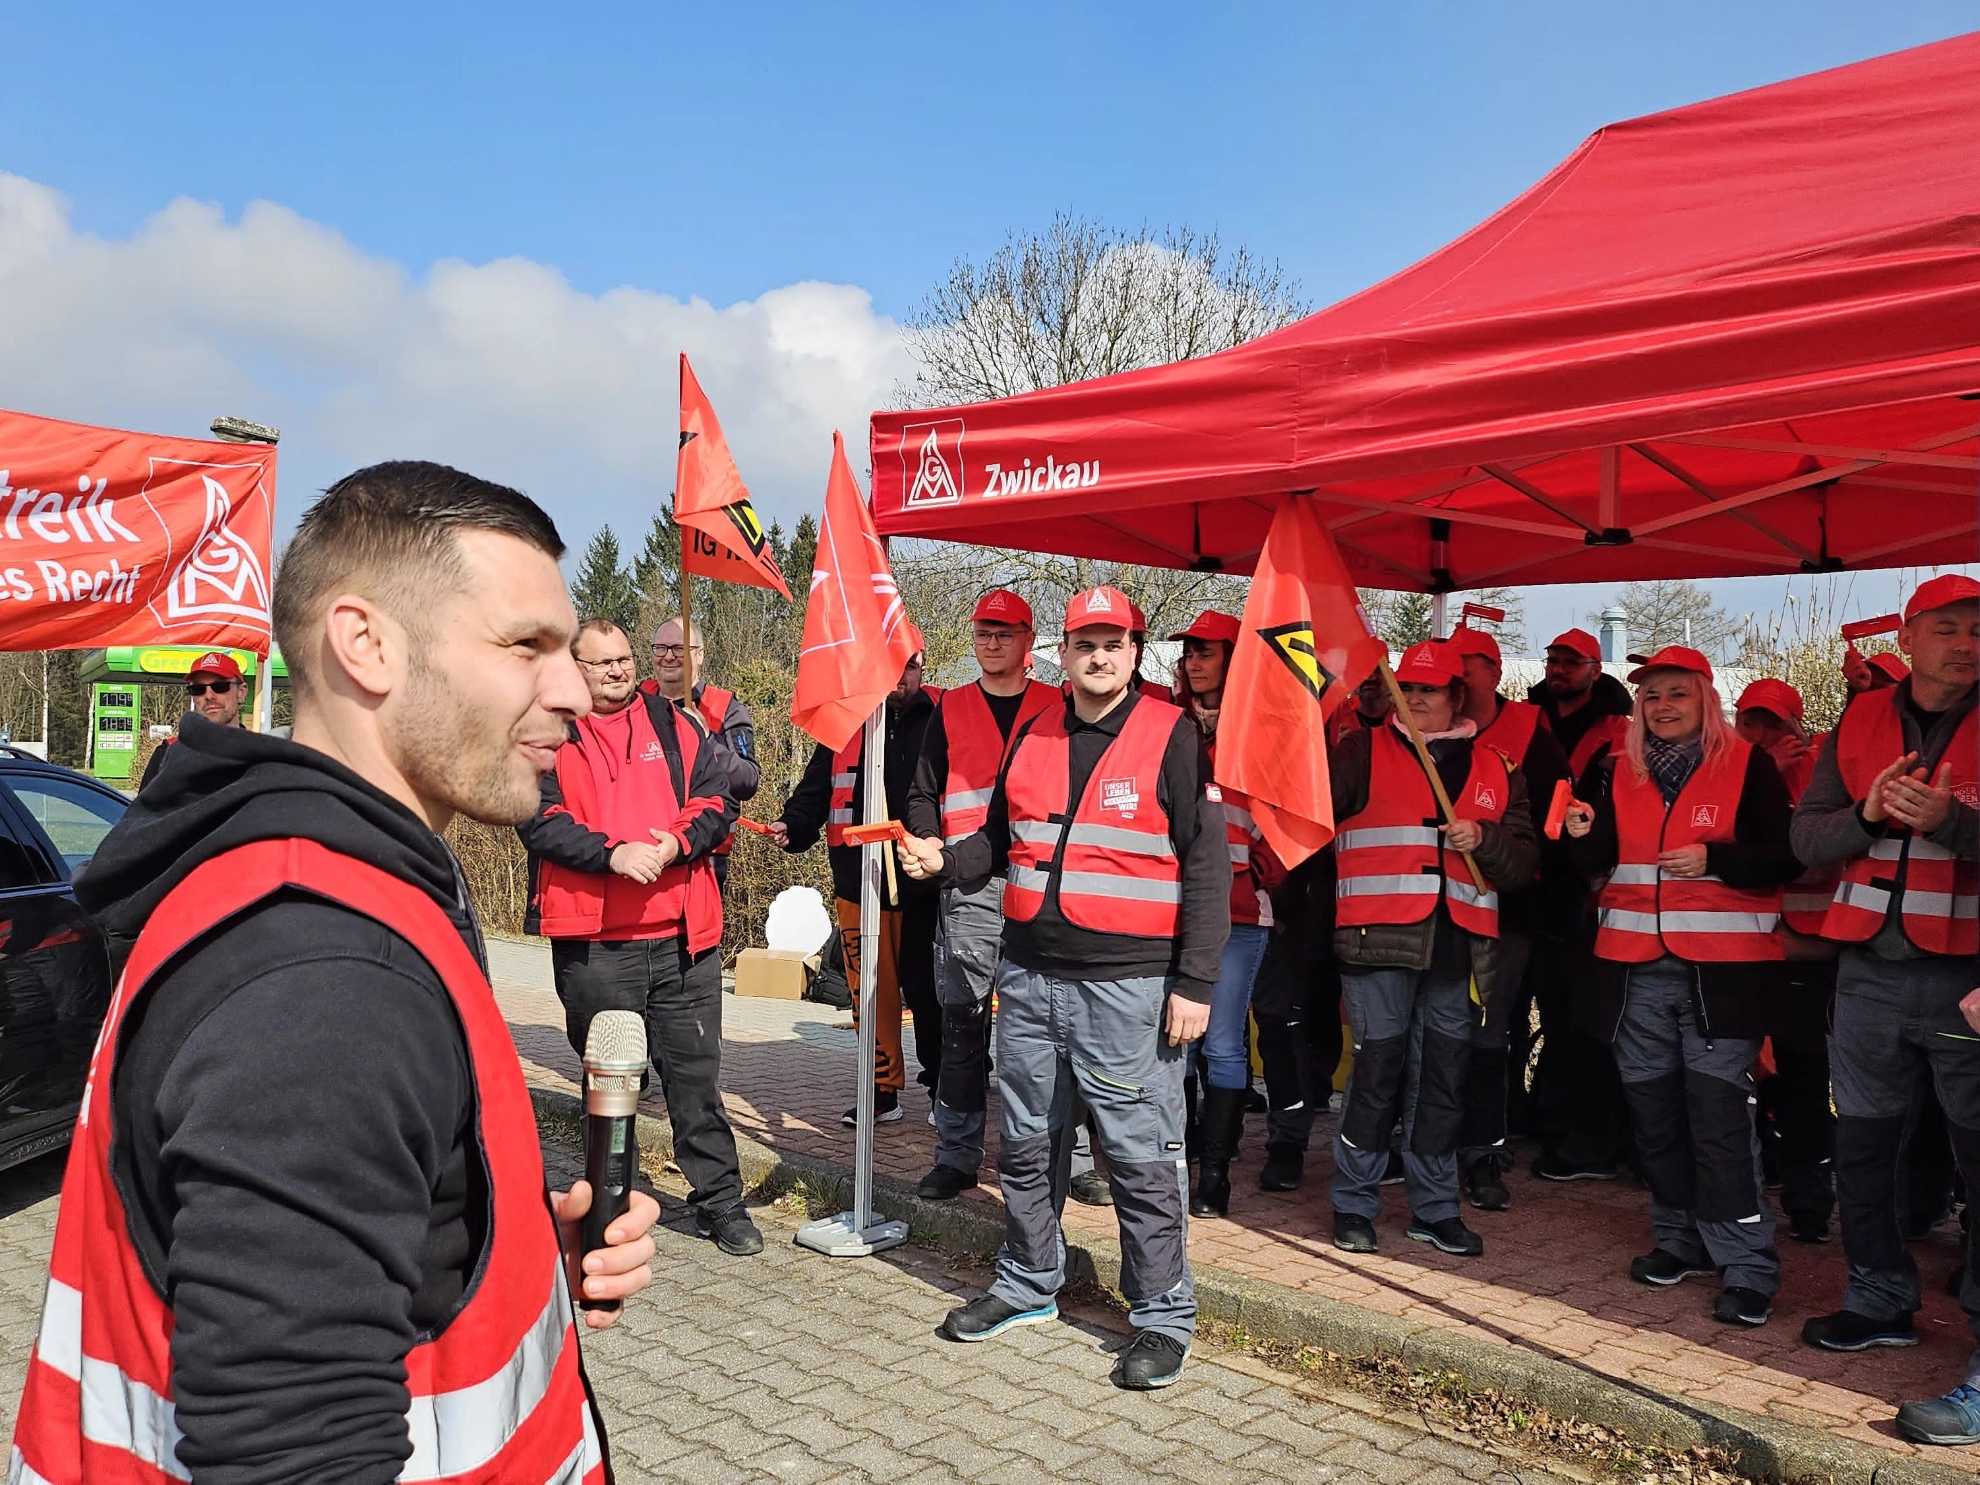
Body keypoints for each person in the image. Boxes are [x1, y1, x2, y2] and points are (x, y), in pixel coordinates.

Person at [13, 461, 656, 1482]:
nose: (575, 689)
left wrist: (503, 1247)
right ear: (365, 643)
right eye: (526, 644)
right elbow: (289, 1450)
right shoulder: (326, 976)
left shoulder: (318, 887)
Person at [899, 585, 1227, 1390]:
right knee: (1026, 1141)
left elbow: (1208, 865)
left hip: (1130, 988)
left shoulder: (1172, 734)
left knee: (1138, 1153)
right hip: (1030, 973)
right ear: (1064, 649)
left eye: (1113, 642)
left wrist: (1196, 980)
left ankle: (1161, 1315)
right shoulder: (1038, 728)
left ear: (1135, 650)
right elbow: (1007, 841)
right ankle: (1026, 1282)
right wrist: (948, 860)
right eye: (1085, 642)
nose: (1099, 655)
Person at [1787, 574, 1980, 1446]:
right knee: (1861, 1142)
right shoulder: (1855, 723)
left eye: (1979, 629)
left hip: (1967, 976)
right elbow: (1807, 838)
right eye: (1947, 628)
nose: (1967, 643)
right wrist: (1866, 813)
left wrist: (1956, 822)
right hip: (1866, 966)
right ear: (1908, 640)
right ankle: (1877, 1298)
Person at [1563, 646, 1799, 1328]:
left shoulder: (1747, 765)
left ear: (1705, 699)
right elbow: (1599, 859)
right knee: (1656, 1115)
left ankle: (1748, 1264)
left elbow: (1786, 855)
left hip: (1721, 975)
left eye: (1676, 694)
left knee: (1719, 1118)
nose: (1662, 707)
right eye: (1652, 697)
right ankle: (1679, 1239)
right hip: (1632, 969)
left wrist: (1716, 859)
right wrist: (1581, 834)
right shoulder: (1621, 770)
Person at [519, 616, 759, 1256]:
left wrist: (677, 842)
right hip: (596, 947)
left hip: (683, 941)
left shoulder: (674, 722)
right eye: (603, 664)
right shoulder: (545, 727)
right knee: (610, 1083)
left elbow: (717, 799)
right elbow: (537, 818)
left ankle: (720, 1203)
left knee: (696, 1082)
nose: (620, 671)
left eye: (625, 659)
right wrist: (612, 853)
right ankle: (606, 1207)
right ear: (576, 669)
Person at [1327, 640, 1537, 1259]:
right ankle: (1353, 1202)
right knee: (1376, 1075)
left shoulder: (1498, 766)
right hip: (1376, 942)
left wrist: (1487, 839)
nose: (1415, 699)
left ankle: (1435, 1208)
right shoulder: (1359, 750)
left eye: (1430, 689)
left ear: (1456, 696)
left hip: (1460, 951)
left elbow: (1522, 864)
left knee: (1443, 1081)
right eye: (1408, 688)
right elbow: (1311, 807)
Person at [905, 590, 1060, 1199]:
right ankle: (958, 1153)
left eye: (1004, 633)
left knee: (1048, 1032)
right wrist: (928, 845)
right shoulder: (951, 708)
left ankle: (1059, 1159)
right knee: (963, 1024)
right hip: (968, 888)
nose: (991, 642)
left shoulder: (1059, 705)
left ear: (1029, 641)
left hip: (1042, 885)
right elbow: (923, 792)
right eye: (983, 632)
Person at [775, 643, 942, 1125]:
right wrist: (794, 826)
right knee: (869, 993)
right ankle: (881, 1088)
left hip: (921, 883)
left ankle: (940, 1087)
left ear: (921, 668)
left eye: (909, 667)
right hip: (858, 881)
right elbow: (814, 790)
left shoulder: (941, 717)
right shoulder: (844, 724)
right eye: (891, 667)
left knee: (928, 992)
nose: (900, 678)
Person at [1448, 625, 1572, 1210]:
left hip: (1508, 911)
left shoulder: (1528, 730)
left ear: (1493, 672)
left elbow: (1546, 820)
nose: (1460, 676)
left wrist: (1507, 857)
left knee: (1489, 1034)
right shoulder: (1407, 735)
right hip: (1429, 916)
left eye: (1468, 665)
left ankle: (1485, 1154)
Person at [1169, 608, 1284, 1217]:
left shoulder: (1260, 732)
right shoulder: (1166, 724)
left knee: (1221, 1043)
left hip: (1240, 911)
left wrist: (1261, 872)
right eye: (1189, 649)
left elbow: (1288, 813)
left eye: (1206, 650)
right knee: (1178, 1040)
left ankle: (1214, 1172)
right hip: (1175, 910)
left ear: (1233, 660)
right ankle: (1183, 1152)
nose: (1193, 659)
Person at [1734, 677, 1836, 1245]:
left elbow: (1818, 866)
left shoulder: (1823, 775)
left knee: (1801, 1077)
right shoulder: (1733, 773)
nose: (1760, 732)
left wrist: (1762, 860)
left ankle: (1809, 1204)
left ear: (1797, 726)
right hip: (1741, 946)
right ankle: (1743, 1200)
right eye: (1750, 720)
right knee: (1738, 1078)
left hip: (1805, 952)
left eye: (1773, 722)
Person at [647, 616, 759, 889]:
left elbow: (747, 780)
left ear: (699, 655)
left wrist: (706, 738)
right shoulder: (637, 702)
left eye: (679, 649)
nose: (669, 657)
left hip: (705, 854)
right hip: (643, 850)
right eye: (660, 648)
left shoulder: (725, 708)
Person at [1531, 628, 1633, 781]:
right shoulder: (1525, 717)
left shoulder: (1621, 731)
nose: (1558, 669)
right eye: (1552, 661)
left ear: (1595, 671)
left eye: (1571, 663)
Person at [138, 650, 248, 789]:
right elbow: (143, 810)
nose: (209, 696)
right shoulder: (168, 754)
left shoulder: (260, 755)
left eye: (220, 686)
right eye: (198, 689)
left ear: (241, 692)